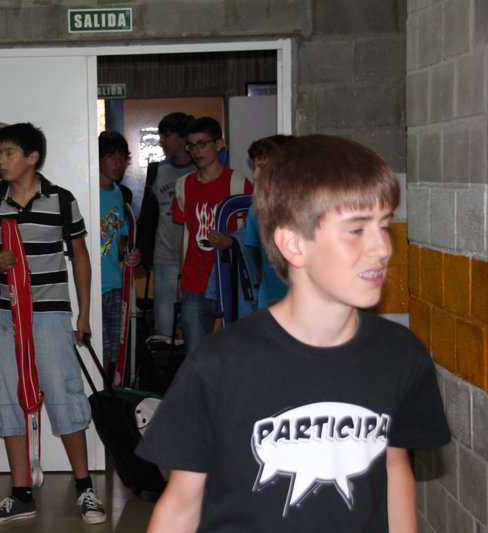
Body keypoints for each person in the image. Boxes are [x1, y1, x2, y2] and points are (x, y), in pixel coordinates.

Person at [137, 134, 451, 532]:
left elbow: (394, 467)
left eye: (384, 225)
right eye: (356, 229)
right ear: (294, 244)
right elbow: (181, 506)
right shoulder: (219, 364)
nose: (382, 248)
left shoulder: (401, 355)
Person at [0, 123, 106, 526]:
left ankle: (84, 488)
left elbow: (80, 256)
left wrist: (83, 314)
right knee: (8, 394)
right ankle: (21, 493)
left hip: (50, 313)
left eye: (9, 153)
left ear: (32, 158)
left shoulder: (62, 200)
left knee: (64, 393)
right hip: (4, 314)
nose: (1, 161)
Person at [173, 116, 252, 354]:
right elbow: (186, 235)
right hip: (195, 281)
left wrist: (230, 242)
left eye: (202, 144)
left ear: (219, 144)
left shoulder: (239, 184)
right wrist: (181, 280)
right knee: (196, 354)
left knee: (235, 352)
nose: (196, 151)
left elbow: (254, 234)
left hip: (229, 280)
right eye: (191, 146)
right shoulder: (183, 185)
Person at [141, 112, 196, 337]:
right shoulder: (158, 170)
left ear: (182, 137)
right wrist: (142, 253)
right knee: (164, 327)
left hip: (195, 259)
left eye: (167, 134)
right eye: (161, 135)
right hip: (164, 257)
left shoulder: (200, 169)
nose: (162, 140)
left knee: (194, 325)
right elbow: (148, 216)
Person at [98, 131, 141, 378]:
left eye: (122, 157)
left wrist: (131, 254)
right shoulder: (87, 191)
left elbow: (122, 238)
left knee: (113, 353)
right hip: (94, 285)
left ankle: (106, 396)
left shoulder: (119, 194)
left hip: (115, 283)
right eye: (110, 156)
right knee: (99, 350)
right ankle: (100, 398)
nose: (117, 163)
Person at [244, 134, 295, 308]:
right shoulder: (255, 211)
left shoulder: (312, 211)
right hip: (269, 307)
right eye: (254, 167)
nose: (255, 175)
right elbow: (255, 259)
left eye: (263, 168)